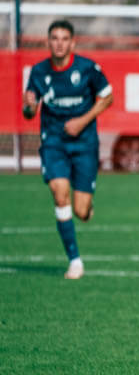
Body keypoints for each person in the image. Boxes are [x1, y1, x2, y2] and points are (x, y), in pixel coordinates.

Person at [22, 20, 113, 279]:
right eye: (55, 38)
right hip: (54, 142)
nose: (59, 43)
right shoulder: (38, 72)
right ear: (48, 42)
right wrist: (29, 106)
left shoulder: (87, 68)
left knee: (81, 211)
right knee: (59, 193)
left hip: (85, 143)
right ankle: (74, 260)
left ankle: (86, 208)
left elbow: (107, 97)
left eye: (64, 39)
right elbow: (29, 113)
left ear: (72, 43)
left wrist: (82, 121)